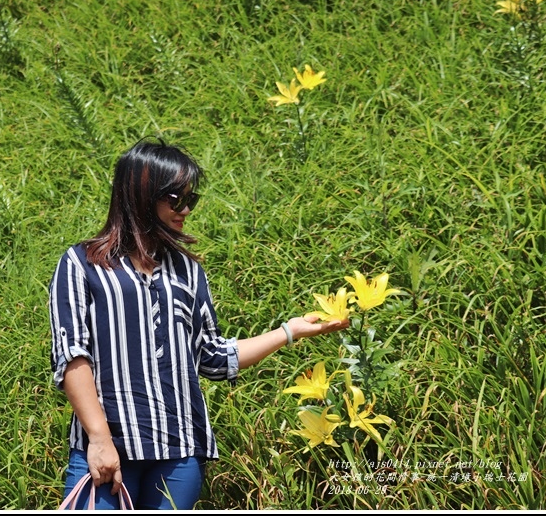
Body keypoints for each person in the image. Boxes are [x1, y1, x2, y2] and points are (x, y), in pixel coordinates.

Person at [49, 138, 349, 510]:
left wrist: (290, 331)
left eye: (191, 199)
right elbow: (72, 356)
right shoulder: (83, 264)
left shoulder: (187, 271)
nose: (186, 210)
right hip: (109, 450)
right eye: (176, 199)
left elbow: (213, 357)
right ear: (140, 194)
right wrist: (99, 438)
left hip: (179, 452)